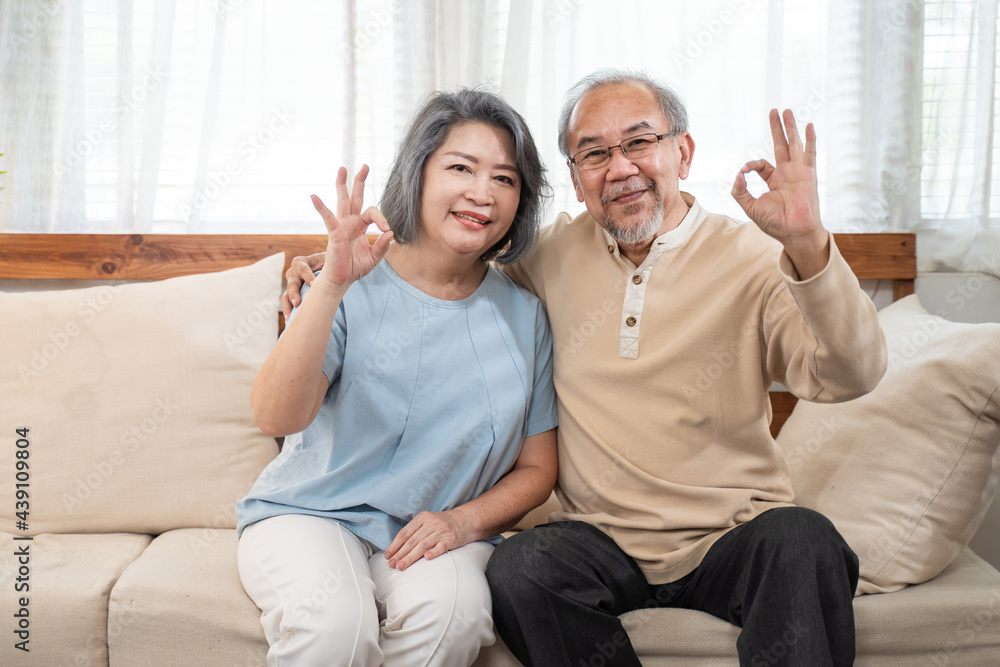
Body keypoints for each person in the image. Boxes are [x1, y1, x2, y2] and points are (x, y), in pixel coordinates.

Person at [284, 70, 887, 666]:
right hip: (597, 541)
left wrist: (807, 244)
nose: (619, 167)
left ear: (683, 151)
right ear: (575, 180)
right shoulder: (547, 256)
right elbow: (449, 269)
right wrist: (331, 268)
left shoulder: (755, 257)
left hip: (730, 536)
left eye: (638, 142)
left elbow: (849, 375)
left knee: (806, 540)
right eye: (593, 153)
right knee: (519, 571)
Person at [236, 88, 558, 667]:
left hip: (434, 531)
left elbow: (538, 470)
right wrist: (329, 287)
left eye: (505, 179)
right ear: (418, 174)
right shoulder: (347, 276)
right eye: (461, 167)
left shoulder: (526, 316)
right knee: (336, 625)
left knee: (453, 618)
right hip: (311, 513)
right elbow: (275, 417)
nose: (482, 194)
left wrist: (463, 522)